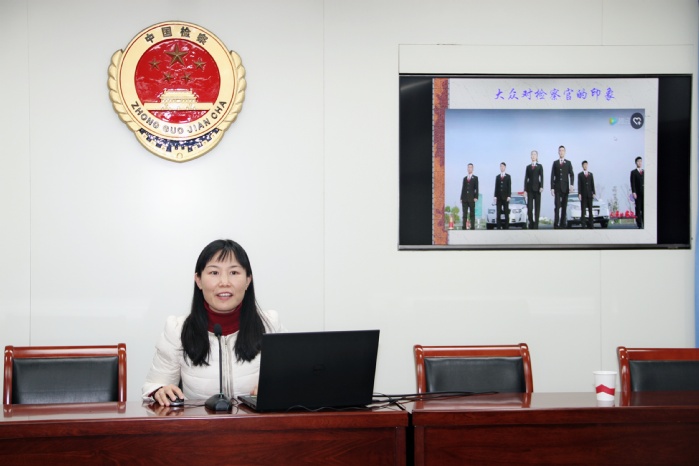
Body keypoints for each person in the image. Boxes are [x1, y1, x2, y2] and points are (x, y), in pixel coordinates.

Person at [142, 239, 285, 406]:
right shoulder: (177, 330)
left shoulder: (270, 325)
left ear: (248, 280)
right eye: (214, 272)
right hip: (200, 422)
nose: (224, 282)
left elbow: (293, 380)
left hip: (255, 421)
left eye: (234, 272)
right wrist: (160, 391)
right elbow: (154, 385)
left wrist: (277, 387)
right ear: (198, 280)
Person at [550, 145, 574, 229]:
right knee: (557, 206)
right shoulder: (555, 163)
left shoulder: (568, 163)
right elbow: (552, 175)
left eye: (562, 150)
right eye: (560, 150)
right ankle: (556, 224)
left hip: (565, 188)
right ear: (558, 152)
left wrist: (571, 185)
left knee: (564, 206)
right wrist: (552, 188)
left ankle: (563, 224)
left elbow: (571, 174)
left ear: (565, 152)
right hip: (557, 188)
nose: (561, 152)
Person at [523, 150, 544, 229]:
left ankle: (536, 224)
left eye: (535, 154)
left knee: (537, 208)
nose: (533, 156)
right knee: (530, 208)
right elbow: (526, 178)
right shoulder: (528, 167)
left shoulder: (540, 166)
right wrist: (525, 190)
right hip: (530, 190)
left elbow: (542, 176)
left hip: (538, 189)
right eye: (532, 154)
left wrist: (541, 186)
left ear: (537, 156)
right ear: (530, 156)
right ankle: (531, 222)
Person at [577, 160, 596, 229]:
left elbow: (592, 184)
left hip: (590, 195)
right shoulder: (580, 175)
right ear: (582, 166)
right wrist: (579, 193)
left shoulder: (590, 174)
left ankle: (591, 224)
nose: (585, 166)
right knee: (583, 210)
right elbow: (579, 184)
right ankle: (583, 224)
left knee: (590, 210)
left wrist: (594, 192)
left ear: (587, 165)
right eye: (584, 165)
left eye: (586, 165)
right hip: (583, 195)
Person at [460, 163, 479, 230]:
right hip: (464, 198)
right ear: (467, 168)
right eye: (468, 167)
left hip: (471, 198)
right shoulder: (465, 178)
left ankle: (472, 227)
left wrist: (476, 197)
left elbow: (476, 188)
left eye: (470, 167)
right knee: (464, 214)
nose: (469, 168)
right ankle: (464, 227)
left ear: (472, 168)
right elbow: (463, 188)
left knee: (472, 214)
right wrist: (461, 198)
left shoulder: (475, 178)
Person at [493, 162, 511, 230]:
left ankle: (506, 227)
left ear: (505, 167)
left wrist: (509, 196)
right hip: (499, 197)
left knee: (506, 212)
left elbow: (509, 187)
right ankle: (498, 226)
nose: (502, 167)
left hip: (506, 197)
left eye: (503, 166)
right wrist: (495, 196)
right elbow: (496, 187)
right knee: (498, 213)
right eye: (501, 166)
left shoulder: (508, 176)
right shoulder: (497, 177)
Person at [630, 156, 644, 228]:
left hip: (644, 193)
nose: (640, 163)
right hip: (637, 193)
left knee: (644, 208)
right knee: (638, 209)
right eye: (638, 161)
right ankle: (639, 224)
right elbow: (632, 183)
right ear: (636, 163)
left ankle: (645, 223)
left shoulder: (644, 172)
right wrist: (634, 192)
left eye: (641, 161)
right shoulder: (633, 172)